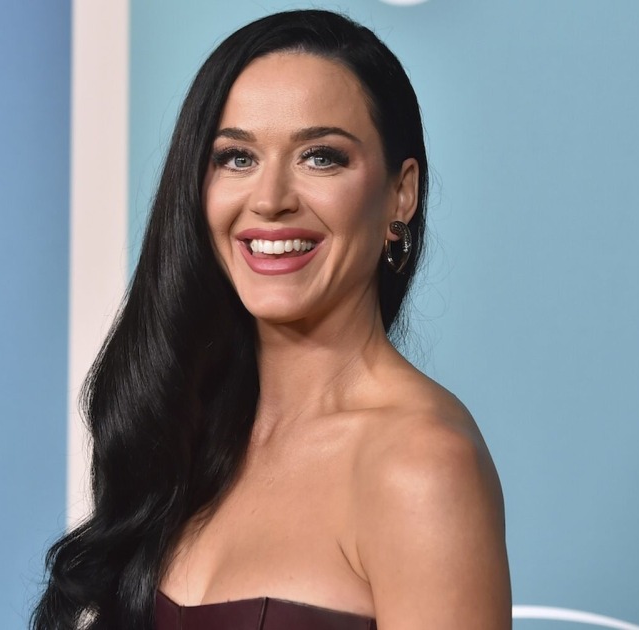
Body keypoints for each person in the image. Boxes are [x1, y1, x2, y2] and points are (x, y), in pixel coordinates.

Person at [34, 9, 510, 630]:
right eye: (237, 158)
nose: (269, 199)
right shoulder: (184, 432)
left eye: (321, 157)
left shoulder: (422, 465)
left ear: (402, 193)